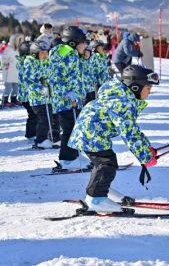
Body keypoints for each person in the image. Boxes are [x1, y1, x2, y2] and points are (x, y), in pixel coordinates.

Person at [68, 65, 159, 213]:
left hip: (91, 134)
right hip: (90, 135)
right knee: (106, 164)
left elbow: (134, 129)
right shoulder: (122, 103)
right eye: (148, 88)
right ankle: (96, 198)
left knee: (105, 163)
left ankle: (103, 191)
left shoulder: (121, 96)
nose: (150, 92)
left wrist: (147, 148)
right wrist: (145, 156)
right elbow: (129, 134)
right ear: (135, 87)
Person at [48, 26, 88, 169]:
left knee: (74, 127)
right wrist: (68, 95)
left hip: (71, 98)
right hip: (66, 99)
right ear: (73, 42)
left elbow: (72, 74)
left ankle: (74, 154)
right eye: (83, 43)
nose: (86, 45)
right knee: (70, 129)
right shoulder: (66, 53)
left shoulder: (67, 52)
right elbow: (56, 76)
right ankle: (67, 159)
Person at [23, 40, 60, 149]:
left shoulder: (48, 62)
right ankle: (41, 140)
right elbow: (28, 81)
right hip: (38, 99)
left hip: (50, 97)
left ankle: (55, 139)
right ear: (35, 54)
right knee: (44, 119)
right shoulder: (30, 63)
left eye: (46, 52)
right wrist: (41, 88)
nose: (45, 55)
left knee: (54, 118)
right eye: (42, 53)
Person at [17, 41, 38, 143]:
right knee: (33, 114)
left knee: (34, 114)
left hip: (26, 94)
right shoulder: (25, 62)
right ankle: (31, 134)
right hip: (27, 95)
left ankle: (33, 133)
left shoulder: (23, 61)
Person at [1, 34, 24, 107]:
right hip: (9, 71)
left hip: (16, 71)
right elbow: (3, 58)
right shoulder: (8, 49)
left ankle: (14, 99)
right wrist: (5, 63)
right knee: (8, 87)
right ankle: (5, 101)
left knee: (16, 87)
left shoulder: (18, 49)